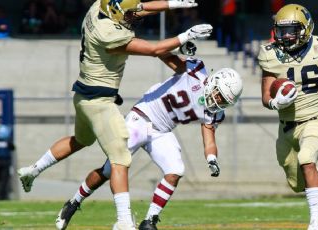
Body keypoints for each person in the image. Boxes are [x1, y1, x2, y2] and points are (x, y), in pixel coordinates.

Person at [17, 0, 213, 229]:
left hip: (83, 94)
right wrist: (184, 36)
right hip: (99, 102)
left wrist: (173, 4)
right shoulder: (109, 33)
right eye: (129, 15)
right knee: (120, 159)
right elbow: (153, 50)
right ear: (118, 14)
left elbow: (139, 7)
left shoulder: (100, 7)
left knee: (80, 140)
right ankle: (123, 221)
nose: (134, 17)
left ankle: (33, 170)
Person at [54, 51, 243, 230]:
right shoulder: (195, 71)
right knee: (108, 170)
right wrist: (180, 45)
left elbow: (209, 138)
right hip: (141, 118)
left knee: (176, 170)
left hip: (162, 131)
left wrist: (211, 159)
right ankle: (73, 202)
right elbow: (164, 55)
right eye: (219, 95)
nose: (218, 101)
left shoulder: (213, 112)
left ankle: (150, 220)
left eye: (224, 101)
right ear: (214, 82)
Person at [258, 4, 318, 230]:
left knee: (306, 159)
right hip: (286, 128)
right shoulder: (270, 54)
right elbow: (265, 95)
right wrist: (275, 102)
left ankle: (316, 222)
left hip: (315, 120)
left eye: (292, 30)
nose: (286, 36)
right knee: (296, 183)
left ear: (306, 28)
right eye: (282, 31)